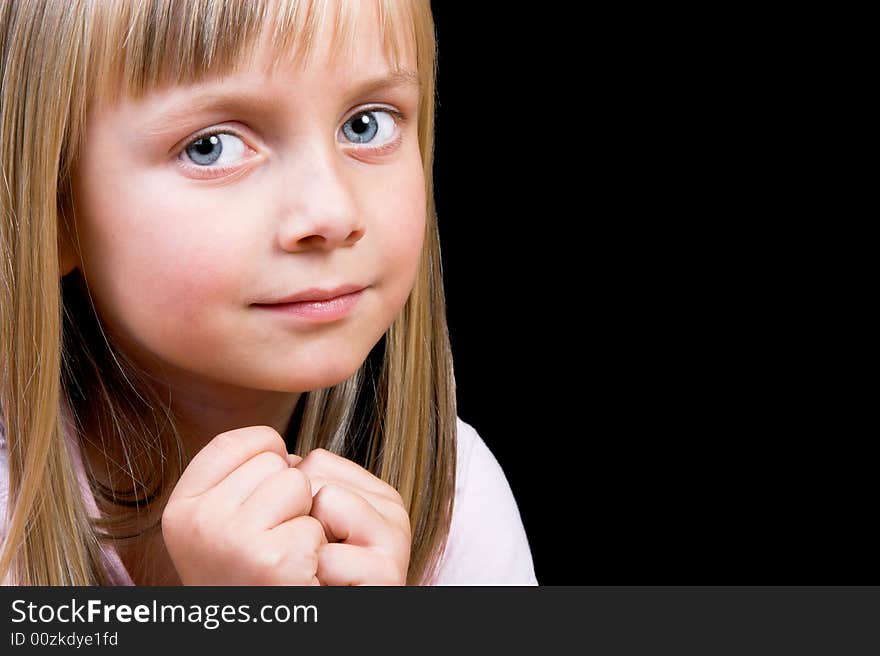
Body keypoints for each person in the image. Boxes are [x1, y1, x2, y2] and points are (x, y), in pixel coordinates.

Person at [0, 0, 536, 586]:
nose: (332, 212)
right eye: (212, 145)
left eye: (367, 124)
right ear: (53, 207)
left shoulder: (455, 500)